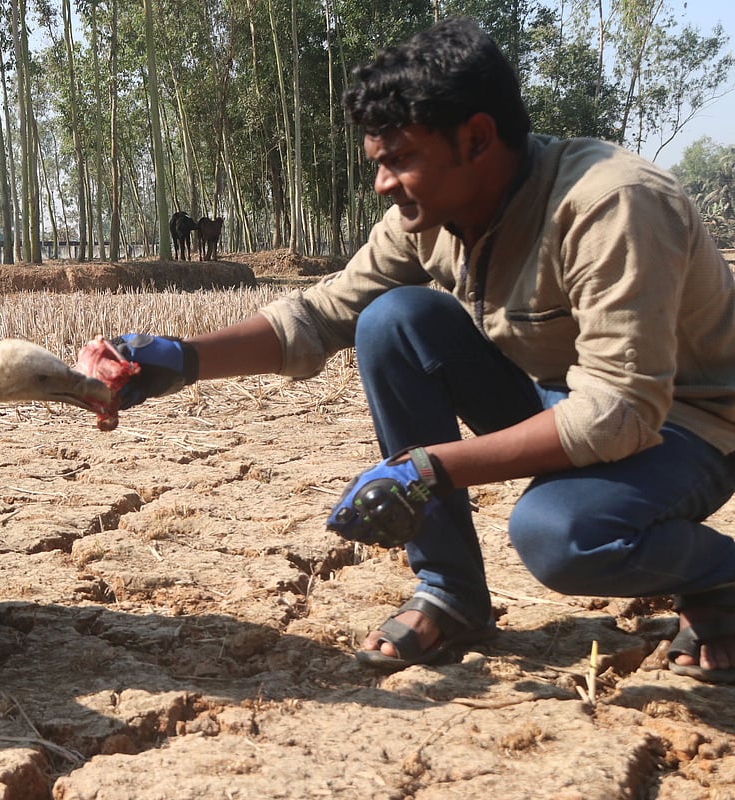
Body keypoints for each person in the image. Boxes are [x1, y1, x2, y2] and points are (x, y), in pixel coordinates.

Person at [108, 17, 735, 681]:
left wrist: (427, 470)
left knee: (561, 534)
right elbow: (322, 315)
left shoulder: (611, 204)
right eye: (378, 162)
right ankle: (452, 592)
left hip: (687, 424)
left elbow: (620, 411)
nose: (383, 182)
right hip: (563, 395)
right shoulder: (429, 217)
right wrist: (178, 360)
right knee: (393, 320)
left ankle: (721, 580)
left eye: (399, 159)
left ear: (477, 138)